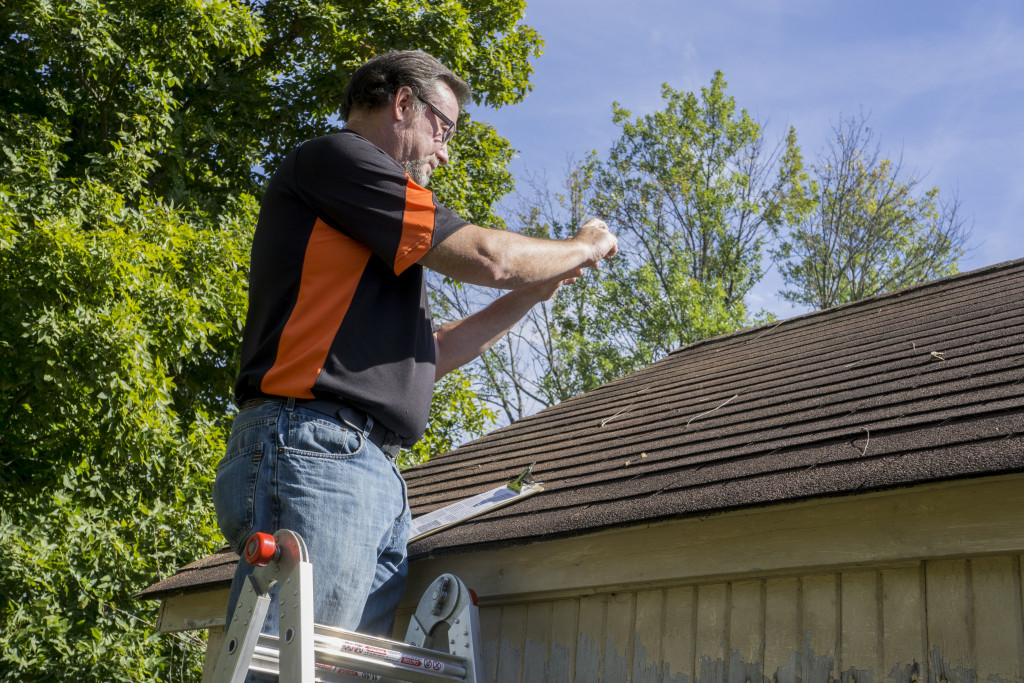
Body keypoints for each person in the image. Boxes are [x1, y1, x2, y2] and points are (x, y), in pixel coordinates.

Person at [212, 50, 617, 640]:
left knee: (332, 674)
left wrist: (535, 292)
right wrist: (581, 246)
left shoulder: (366, 233)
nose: (445, 152)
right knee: (291, 670)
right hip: (316, 449)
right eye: (443, 129)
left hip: (361, 464)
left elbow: (430, 356)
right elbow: (489, 257)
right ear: (404, 103)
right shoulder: (337, 160)